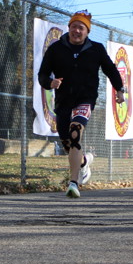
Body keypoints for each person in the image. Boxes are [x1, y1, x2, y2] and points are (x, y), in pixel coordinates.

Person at [38, 10, 126, 198]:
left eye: (81, 28)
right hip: (63, 101)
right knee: (67, 142)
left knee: (75, 133)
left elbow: (111, 70)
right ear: (69, 28)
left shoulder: (96, 49)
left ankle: (73, 183)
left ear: (87, 32)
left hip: (85, 99)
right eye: (74, 26)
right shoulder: (56, 49)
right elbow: (42, 74)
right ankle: (84, 162)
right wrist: (50, 83)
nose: (77, 31)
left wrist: (119, 89)